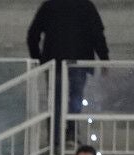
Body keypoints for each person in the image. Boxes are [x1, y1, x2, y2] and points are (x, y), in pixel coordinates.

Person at [26, 0, 108, 139]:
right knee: (75, 99)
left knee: (55, 103)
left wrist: (39, 59)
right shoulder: (85, 6)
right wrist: (104, 58)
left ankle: (56, 140)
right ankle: (71, 133)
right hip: (78, 62)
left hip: (54, 63)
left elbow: (32, 35)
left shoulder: (50, 6)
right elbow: (97, 34)